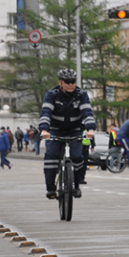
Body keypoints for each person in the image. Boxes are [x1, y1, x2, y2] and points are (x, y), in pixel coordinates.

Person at [39, 69, 96, 199]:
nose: (71, 84)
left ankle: (76, 185)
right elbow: (46, 112)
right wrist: (44, 129)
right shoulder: (51, 94)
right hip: (55, 129)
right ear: (60, 82)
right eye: (67, 82)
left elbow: (87, 112)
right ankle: (51, 188)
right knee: (52, 157)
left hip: (75, 129)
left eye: (73, 82)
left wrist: (90, 129)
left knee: (77, 157)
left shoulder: (81, 95)